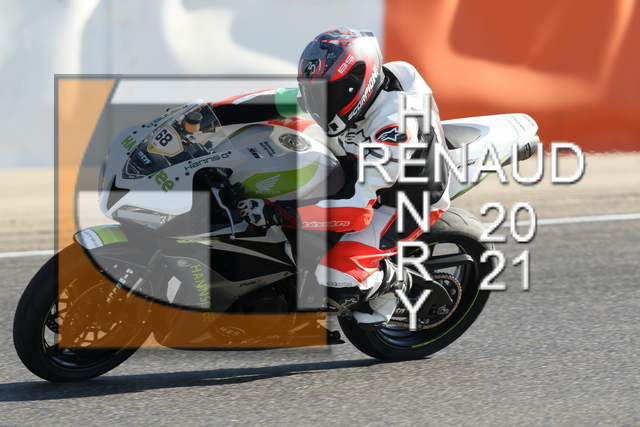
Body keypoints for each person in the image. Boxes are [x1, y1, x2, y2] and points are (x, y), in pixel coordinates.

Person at [209, 28, 452, 329]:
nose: (318, 102)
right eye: (313, 91)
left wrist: (274, 211)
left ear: (359, 82)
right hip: (357, 162)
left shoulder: (394, 128)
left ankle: (396, 282)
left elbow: (357, 211)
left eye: (328, 93)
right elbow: (279, 100)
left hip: (403, 200)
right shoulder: (352, 91)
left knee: (335, 279)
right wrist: (209, 114)